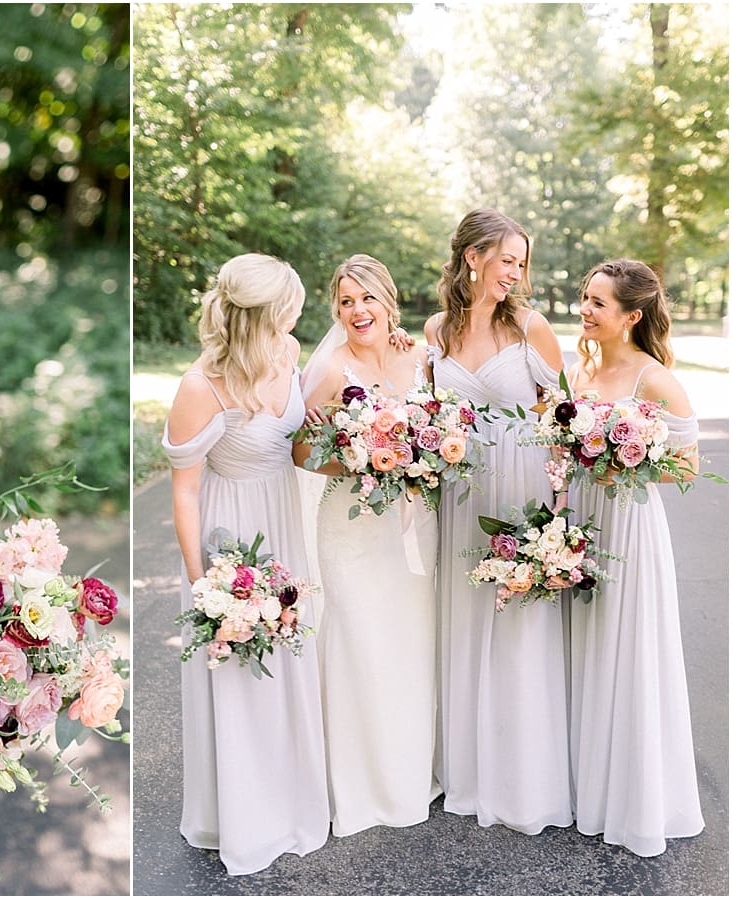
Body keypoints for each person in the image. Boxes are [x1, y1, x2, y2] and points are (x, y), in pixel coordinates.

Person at [162, 252, 329, 875]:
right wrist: (203, 582)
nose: (297, 316)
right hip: (229, 540)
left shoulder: (288, 353)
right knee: (239, 670)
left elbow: (303, 437)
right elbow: (184, 491)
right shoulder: (200, 386)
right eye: (288, 307)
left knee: (288, 658)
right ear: (263, 315)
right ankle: (244, 814)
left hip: (283, 522)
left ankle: (292, 800)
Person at [424, 208, 573, 834]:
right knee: (463, 620)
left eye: (521, 262)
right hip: (461, 494)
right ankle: (468, 769)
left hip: (523, 488)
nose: (515, 272)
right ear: (472, 257)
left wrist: (558, 513)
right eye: (506, 259)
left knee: (519, 624)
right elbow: (424, 410)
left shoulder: (531, 328)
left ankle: (525, 777)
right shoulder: (435, 330)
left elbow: (565, 417)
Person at [295, 254, 440, 836]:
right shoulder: (331, 369)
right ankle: (354, 784)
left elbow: (441, 427)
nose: (357, 311)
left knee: (407, 644)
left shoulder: (418, 358)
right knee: (359, 644)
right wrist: (360, 460)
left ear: (389, 302)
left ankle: (406, 771)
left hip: (412, 527)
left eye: (367, 299)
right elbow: (301, 453)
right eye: (346, 302)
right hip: (351, 526)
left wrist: (419, 459)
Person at [566, 259, 704, 856]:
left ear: (632, 315)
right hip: (585, 519)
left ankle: (635, 796)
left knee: (630, 650)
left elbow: (688, 468)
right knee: (588, 644)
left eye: (598, 303)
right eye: (585, 298)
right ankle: (586, 784)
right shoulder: (584, 368)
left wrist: (626, 459)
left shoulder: (654, 379)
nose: (585, 310)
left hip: (630, 525)